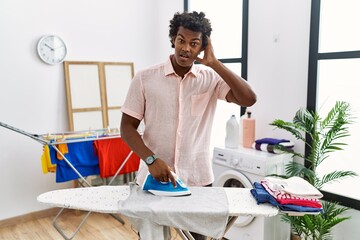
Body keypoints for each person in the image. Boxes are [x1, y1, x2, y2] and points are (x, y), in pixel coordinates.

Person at [120, 11, 257, 240]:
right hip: (153, 179)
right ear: (173, 38)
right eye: (181, 40)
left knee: (198, 238)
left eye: (194, 43)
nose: (185, 48)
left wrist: (214, 63)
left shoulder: (210, 79)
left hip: (198, 180)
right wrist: (151, 159)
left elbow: (248, 99)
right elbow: (127, 128)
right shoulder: (145, 78)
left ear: (202, 47)